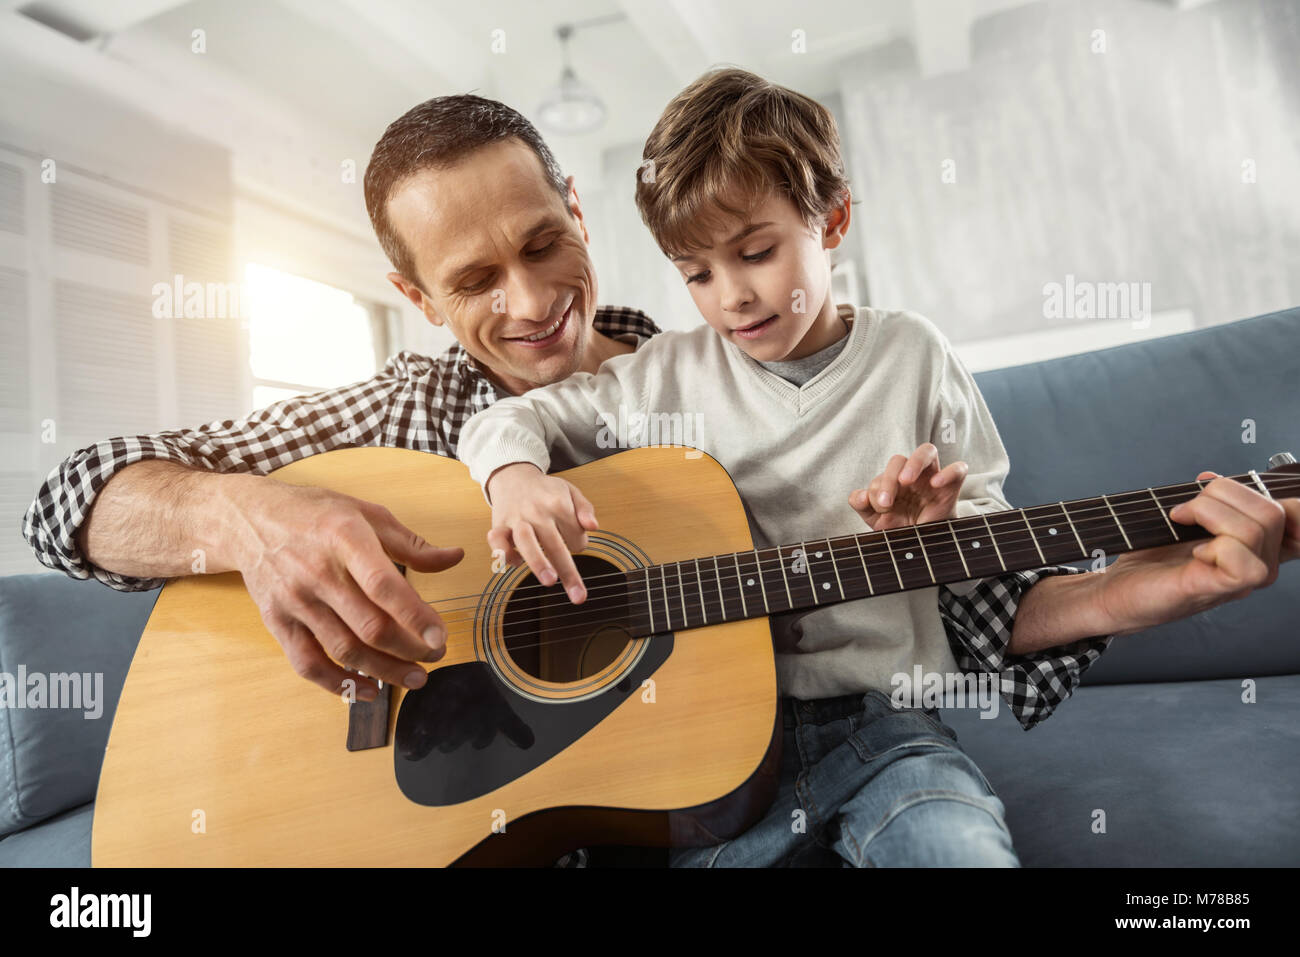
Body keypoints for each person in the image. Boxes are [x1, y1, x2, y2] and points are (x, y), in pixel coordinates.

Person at [20, 84, 1295, 866]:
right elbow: (70, 497)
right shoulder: (405, 410)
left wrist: (1169, 578)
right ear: (410, 297)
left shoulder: (698, 384)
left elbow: (955, 613)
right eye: (471, 282)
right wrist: (252, 517)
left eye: (543, 242)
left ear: (580, 204)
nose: (530, 306)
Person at [455, 67, 1300, 867]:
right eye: (697, 274)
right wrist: (514, 478)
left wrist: (939, 535)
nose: (731, 297)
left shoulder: (915, 355)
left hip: (888, 728)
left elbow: (989, 590)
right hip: (706, 753)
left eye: (755, 253)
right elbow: (511, 416)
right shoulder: (661, 375)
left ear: (831, 221)